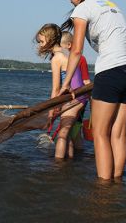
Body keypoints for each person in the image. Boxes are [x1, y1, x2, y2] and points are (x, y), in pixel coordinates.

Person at [60, 0, 126, 180]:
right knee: (118, 132)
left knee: (100, 132)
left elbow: (76, 50)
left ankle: (104, 191)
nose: (70, 0)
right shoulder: (112, 5)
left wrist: (67, 83)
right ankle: (117, 184)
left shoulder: (82, 8)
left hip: (112, 70)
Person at [35, 24, 88, 159]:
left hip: (74, 98)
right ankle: (69, 163)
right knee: (69, 133)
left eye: (41, 42)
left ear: (50, 40)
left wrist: (51, 110)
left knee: (62, 134)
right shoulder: (67, 53)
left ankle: (58, 168)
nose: (40, 45)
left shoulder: (56, 58)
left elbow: (56, 88)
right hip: (81, 96)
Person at [60, 31, 91, 149]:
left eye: (60, 47)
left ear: (69, 45)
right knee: (75, 128)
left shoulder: (80, 59)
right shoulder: (63, 59)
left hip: (78, 98)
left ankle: (65, 162)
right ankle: (77, 161)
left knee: (68, 130)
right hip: (78, 98)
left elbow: (86, 81)